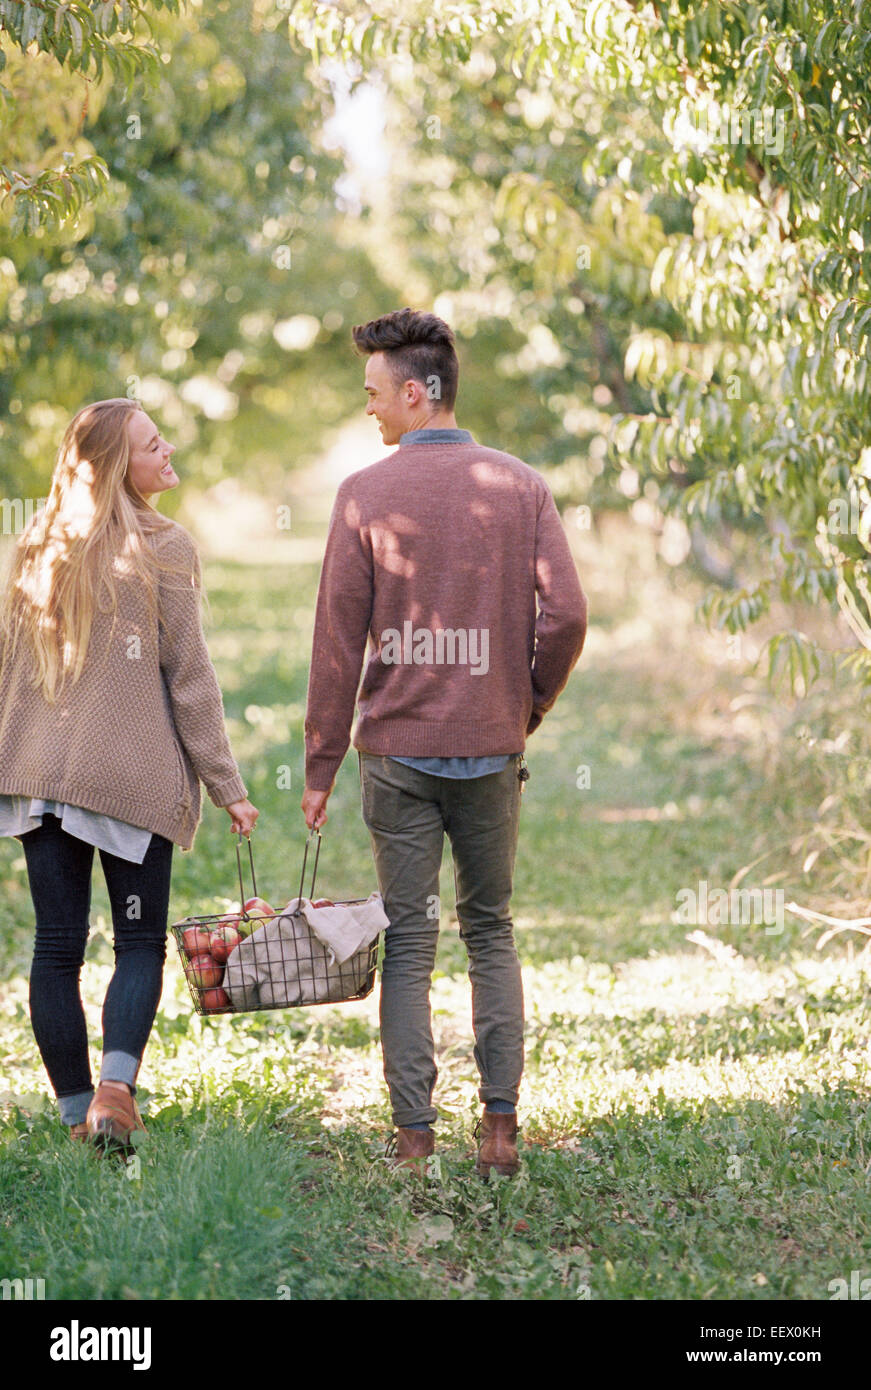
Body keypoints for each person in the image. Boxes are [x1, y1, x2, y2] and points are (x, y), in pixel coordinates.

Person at [302, 308, 587, 1176]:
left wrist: (319, 763)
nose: (370, 410)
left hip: (396, 754)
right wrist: (523, 704)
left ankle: (413, 1140)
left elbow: (335, 640)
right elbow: (568, 614)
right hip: (492, 752)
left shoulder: (364, 495)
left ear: (418, 393)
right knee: (490, 930)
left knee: (412, 939)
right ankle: (498, 1133)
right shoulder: (520, 486)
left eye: (376, 393)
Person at [0, 398, 258, 1150]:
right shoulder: (163, 546)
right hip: (126, 781)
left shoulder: (31, 548)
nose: (168, 448)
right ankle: (116, 1091)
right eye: (153, 444)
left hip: (39, 779)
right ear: (120, 466)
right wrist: (227, 786)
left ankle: (77, 1115)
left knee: (55, 946)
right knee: (137, 943)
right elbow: (191, 678)